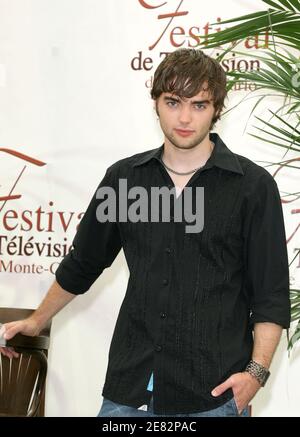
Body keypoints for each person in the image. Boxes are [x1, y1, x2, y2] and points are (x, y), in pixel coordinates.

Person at [0, 48, 290, 417]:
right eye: (173, 102)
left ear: (218, 109)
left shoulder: (252, 187)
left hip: (214, 394)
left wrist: (255, 375)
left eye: (199, 105)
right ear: (155, 103)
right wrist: (36, 320)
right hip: (129, 391)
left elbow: (270, 294)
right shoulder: (124, 180)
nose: (185, 118)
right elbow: (83, 264)